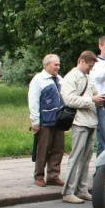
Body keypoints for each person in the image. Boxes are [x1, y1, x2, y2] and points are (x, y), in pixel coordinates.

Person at [60, 51, 105, 204]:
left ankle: (82, 189)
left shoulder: (88, 77)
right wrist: (91, 99)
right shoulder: (70, 78)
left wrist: (99, 100)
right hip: (79, 121)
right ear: (82, 61)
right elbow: (70, 100)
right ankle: (68, 192)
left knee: (86, 158)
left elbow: (94, 94)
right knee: (76, 157)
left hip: (91, 121)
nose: (90, 69)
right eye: (89, 66)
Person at [28, 54, 65, 187]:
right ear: (47, 65)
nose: (58, 67)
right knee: (42, 149)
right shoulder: (38, 80)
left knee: (58, 148)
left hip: (59, 120)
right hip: (45, 121)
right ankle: (39, 176)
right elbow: (33, 101)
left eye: (59, 65)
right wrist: (35, 121)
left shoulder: (59, 79)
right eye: (56, 65)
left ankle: (53, 175)